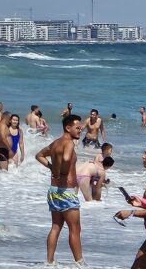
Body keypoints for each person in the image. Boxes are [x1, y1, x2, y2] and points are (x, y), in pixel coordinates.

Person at [36, 113, 85, 268]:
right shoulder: (69, 143)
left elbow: (39, 155)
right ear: (68, 127)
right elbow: (65, 158)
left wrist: (51, 167)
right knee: (75, 228)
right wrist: (63, 172)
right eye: (77, 127)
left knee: (56, 226)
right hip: (66, 191)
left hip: (54, 189)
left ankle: (49, 262)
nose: (80, 130)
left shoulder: (55, 143)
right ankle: (80, 263)